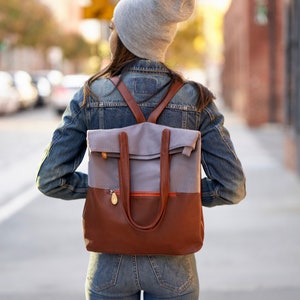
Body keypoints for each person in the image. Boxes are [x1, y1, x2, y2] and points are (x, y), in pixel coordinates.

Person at [36, 0, 246, 299]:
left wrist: (106, 190)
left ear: (126, 38)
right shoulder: (196, 99)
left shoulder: (91, 95)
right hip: (174, 264)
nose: (111, 35)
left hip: (110, 263)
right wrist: (177, 194)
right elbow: (232, 188)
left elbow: (50, 179)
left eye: (113, 29)